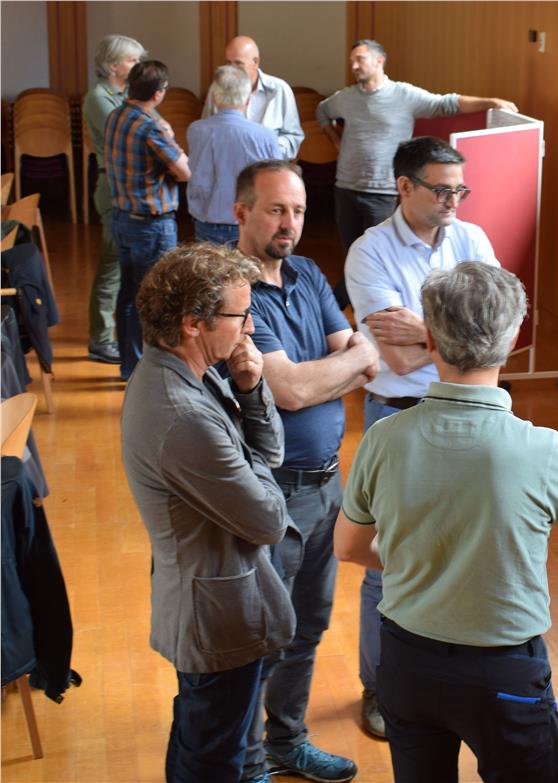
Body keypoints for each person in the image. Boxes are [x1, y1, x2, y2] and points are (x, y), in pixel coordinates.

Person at [334, 262, 558, 783]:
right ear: (512, 340)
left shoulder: (383, 439)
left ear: (429, 339)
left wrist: (421, 557)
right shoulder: (542, 449)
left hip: (407, 661)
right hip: (504, 670)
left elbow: (349, 547)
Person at [121, 243, 296, 783]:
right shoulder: (182, 412)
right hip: (216, 615)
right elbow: (269, 519)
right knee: (211, 760)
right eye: (240, 315)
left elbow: (270, 453)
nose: (250, 327)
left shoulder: (195, 372)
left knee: (200, 739)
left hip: (216, 598)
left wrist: (251, 387)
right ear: (193, 323)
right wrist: (254, 468)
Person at [343, 136, 498, 739]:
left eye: (461, 189)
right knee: (387, 562)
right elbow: (401, 360)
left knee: (471, 551)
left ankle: (456, 681)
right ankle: (380, 688)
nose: (454, 201)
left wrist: (424, 329)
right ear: (404, 187)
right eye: (441, 190)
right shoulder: (370, 252)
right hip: (399, 414)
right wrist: (460, 335)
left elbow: (499, 333)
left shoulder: (473, 240)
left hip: (473, 412)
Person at [235, 159, 378, 783]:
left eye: (296, 210)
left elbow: (363, 360)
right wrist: (342, 366)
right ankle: (246, 763)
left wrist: (330, 370)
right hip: (273, 492)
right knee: (264, 632)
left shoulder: (310, 272)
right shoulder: (232, 292)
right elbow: (289, 390)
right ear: (241, 212)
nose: (288, 223)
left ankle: (286, 742)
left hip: (327, 481)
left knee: (309, 625)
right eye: (275, 210)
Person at [316, 39, 517, 252]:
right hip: (345, 187)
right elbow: (322, 111)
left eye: (360, 59)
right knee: (351, 251)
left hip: (383, 191)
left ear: (379, 60)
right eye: (352, 61)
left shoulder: (404, 95)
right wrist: (336, 141)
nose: (354, 66)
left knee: (380, 252)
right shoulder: (345, 98)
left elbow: (445, 103)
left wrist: (491, 102)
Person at [104, 60, 191, 381]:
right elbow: (185, 171)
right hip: (151, 225)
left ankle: (130, 367)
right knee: (156, 299)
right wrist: (169, 133)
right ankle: (151, 373)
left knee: (128, 295)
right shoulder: (152, 127)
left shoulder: (115, 116)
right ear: (158, 94)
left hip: (122, 219)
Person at [82, 34, 148, 365]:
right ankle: (100, 338)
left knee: (126, 263)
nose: (138, 65)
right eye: (132, 60)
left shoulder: (123, 96)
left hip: (128, 184)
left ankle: (120, 331)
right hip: (112, 185)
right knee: (112, 261)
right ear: (112, 66)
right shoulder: (98, 97)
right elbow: (129, 132)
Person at [188, 67, 282, 245]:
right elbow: (277, 183)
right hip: (249, 223)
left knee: (207, 264)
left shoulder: (196, 130)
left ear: (214, 97)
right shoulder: (266, 136)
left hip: (207, 221)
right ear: (248, 100)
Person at [203, 35, 304, 160]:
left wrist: (264, 150)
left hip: (269, 164)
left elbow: (293, 138)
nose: (231, 70)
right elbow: (206, 131)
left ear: (255, 62)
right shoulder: (217, 88)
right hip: (228, 164)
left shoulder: (280, 89)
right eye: (228, 63)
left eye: (238, 63)